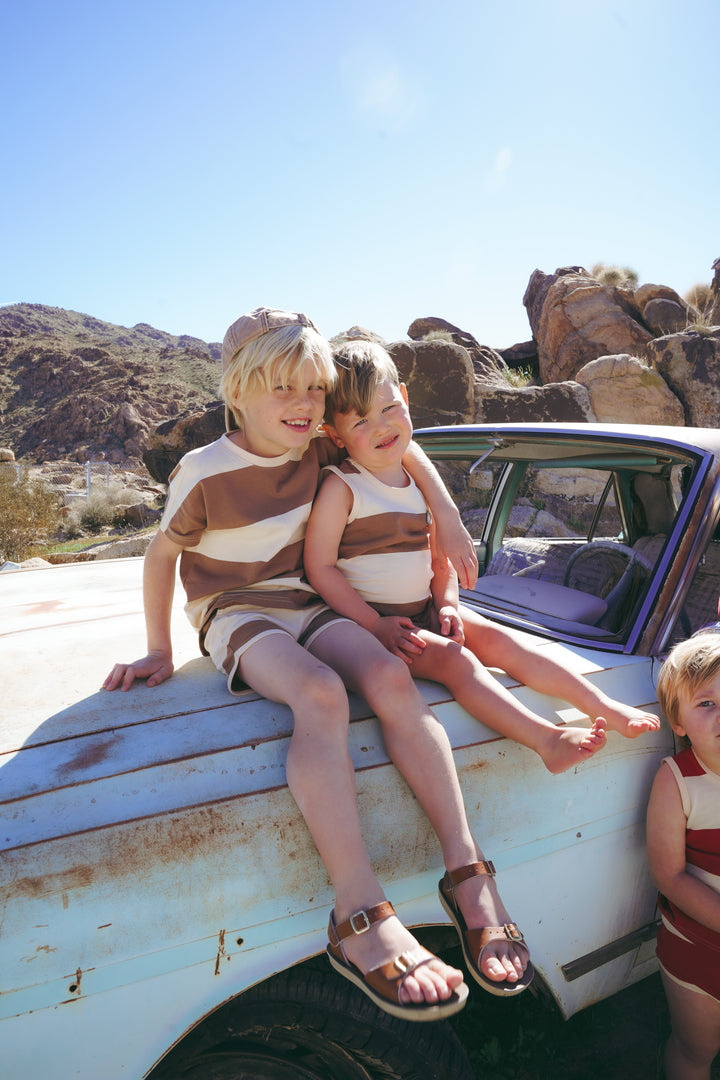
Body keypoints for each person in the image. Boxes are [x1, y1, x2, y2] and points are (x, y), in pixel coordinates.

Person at [104, 307, 534, 1020]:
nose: (304, 407)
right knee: (321, 693)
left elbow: (401, 447)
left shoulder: (317, 449)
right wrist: (160, 648)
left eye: (314, 391)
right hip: (238, 611)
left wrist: (447, 511)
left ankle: (466, 872)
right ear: (237, 393)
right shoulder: (205, 469)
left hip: (306, 601)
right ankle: (357, 909)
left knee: (390, 676)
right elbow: (162, 558)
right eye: (285, 390)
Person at [303, 339, 661, 779]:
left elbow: (439, 561)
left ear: (406, 399)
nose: (381, 427)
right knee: (459, 661)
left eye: (388, 408)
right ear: (336, 436)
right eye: (361, 420)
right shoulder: (342, 487)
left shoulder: (418, 484)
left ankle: (601, 704)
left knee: (506, 642)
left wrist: (449, 602)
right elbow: (319, 568)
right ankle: (546, 739)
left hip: (426, 611)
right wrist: (372, 624)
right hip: (378, 629)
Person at [646, 631, 720, 1080]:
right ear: (678, 721)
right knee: (697, 1047)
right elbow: (669, 875)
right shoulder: (677, 780)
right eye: (706, 703)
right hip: (697, 943)